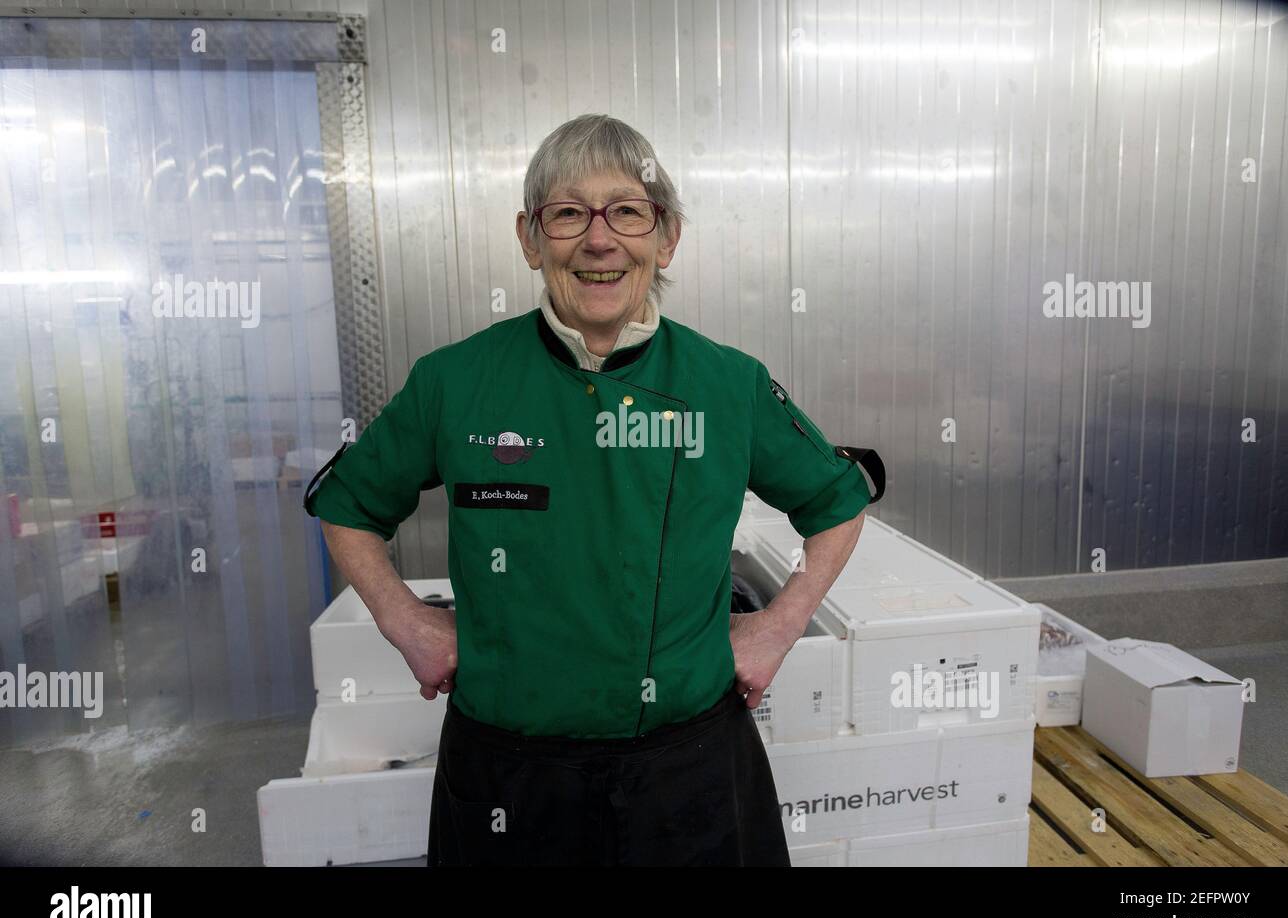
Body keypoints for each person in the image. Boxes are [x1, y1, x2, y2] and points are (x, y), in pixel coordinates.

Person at [304, 113, 884, 866]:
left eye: (628, 211)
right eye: (569, 213)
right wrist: (405, 621)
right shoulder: (455, 382)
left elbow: (837, 503)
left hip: (691, 775)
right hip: (508, 781)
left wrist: (780, 625)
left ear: (666, 237)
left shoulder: (726, 384)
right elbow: (348, 504)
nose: (599, 240)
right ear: (530, 237)